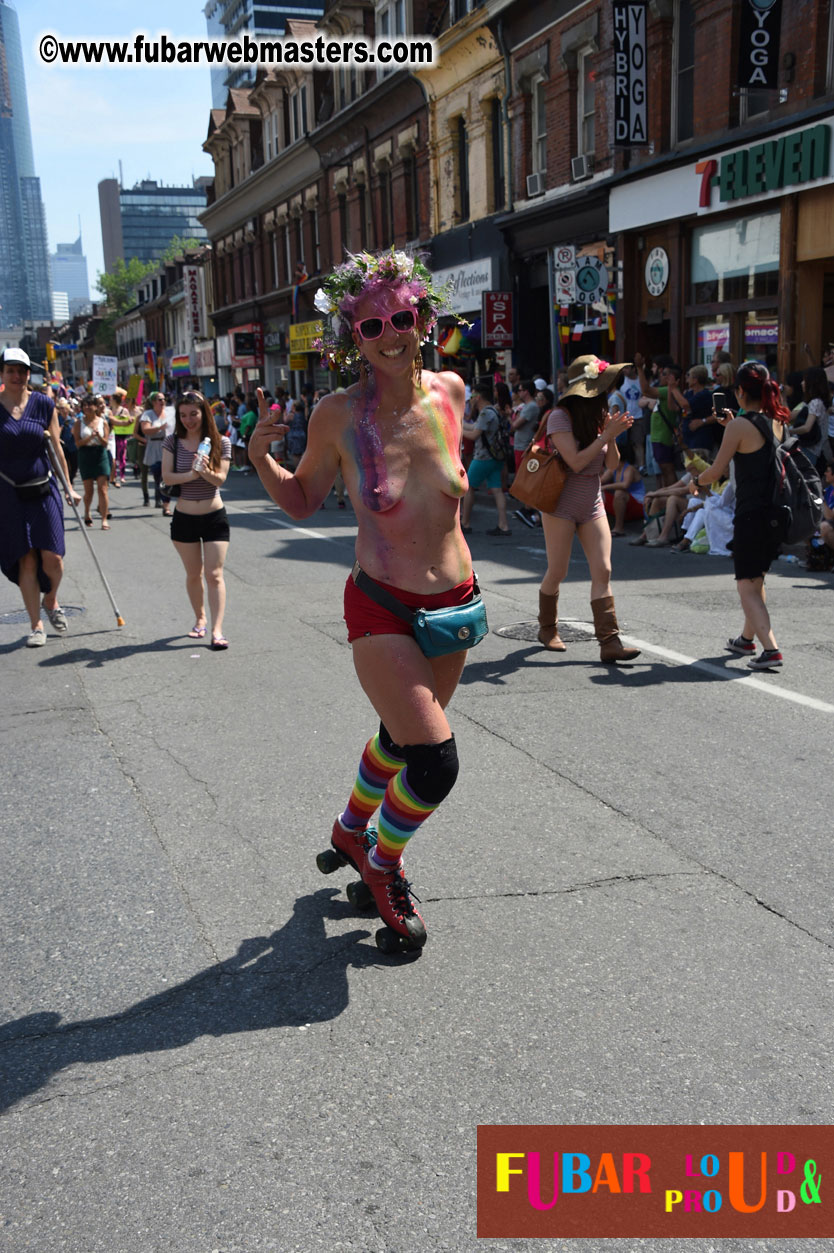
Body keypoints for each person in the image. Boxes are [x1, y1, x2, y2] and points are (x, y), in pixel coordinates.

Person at [248, 249, 474, 950]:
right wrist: (260, 457)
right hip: (381, 607)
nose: (391, 335)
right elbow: (302, 499)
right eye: (372, 326)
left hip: (456, 606)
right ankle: (382, 863)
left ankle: (350, 828)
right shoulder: (337, 415)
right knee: (434, 760)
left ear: (423, 319)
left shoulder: (452, 393)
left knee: (399, 737)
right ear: (354, 337)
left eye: (402, 317)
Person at [536, 354, 640, 661]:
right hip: (560, 505)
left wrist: (613, 437)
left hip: (592, 503)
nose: (607, 391)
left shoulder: (600, 414)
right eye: (602, 385)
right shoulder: (559, 417)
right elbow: (577, 462)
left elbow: (612, 463)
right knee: (558, 571)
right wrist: (606, 436)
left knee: (603, 570)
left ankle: (610, 642)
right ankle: (547, 628)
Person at [695, 361, 790, 671]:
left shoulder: (739, 427)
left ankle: (771, 649)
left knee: (746, 586)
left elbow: (716, 470)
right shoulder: (776, 421)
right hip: (775, 514)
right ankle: (747, 639)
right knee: (756, 578)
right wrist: (734, 426)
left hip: (751, 516)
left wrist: (698, 481)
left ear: (738, 391)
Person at [0, 348, 80, 647]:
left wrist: (69, 486)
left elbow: (57, 447)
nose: (17, 376)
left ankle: (52, 599)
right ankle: (36, 626)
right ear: (2, 373)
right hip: (8, 492)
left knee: (53, 558)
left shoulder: (44, 404)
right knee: (26, 560)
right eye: (11, 370)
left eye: (22, 371)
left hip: (43, 487)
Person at [161, 390, 232, 649]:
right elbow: (167, 477)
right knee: (194, 574)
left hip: (214, 516)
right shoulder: (172, 442)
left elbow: (221, 479)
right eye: (183, 415)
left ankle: (217, 630)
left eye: (194, 414)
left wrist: (206, 470)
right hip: (185, 518)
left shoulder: (220, 442)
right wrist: (192, 474)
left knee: (214, 574)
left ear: (204, 413)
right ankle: (200, 618)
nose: (189, 420)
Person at [460, 381, 512, 536]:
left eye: (473, 395)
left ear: (478, 397)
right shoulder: (492, 411)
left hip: (483, 457)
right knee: (497, 490)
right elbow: (475, 427)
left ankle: (465, 523)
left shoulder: (485, 413)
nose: (471, 399)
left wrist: (458, 431)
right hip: (496, 457)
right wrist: (459, 424)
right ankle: (503, 525)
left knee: (468, 488)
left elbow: (475, 434)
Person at [635, 353, 689, 487]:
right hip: (659, 436)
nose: (661, 375)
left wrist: (640, 369)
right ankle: (667, 497)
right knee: (663, 470)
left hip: (662, 436)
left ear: (671, 377)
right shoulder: (668, 390)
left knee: (667, 469)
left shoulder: (667, 390)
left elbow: (646, 390)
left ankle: (671, 496)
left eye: (664, 374)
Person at [73, 395, 112, 529]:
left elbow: (106, 443)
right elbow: (77, 443)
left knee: (103, 489)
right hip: (85, 455)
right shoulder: (79, 422)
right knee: (88, 490)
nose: (87, 408)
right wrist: (90, 437)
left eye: (89, 405)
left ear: (96, 407)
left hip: (100, 454)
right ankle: (87, 511)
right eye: (84, 405)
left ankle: (104, 518)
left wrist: (99, 437)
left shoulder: (103, 422)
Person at [141, 392, 173, 514]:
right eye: (160, 399)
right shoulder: (148, 414)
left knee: (166, 477)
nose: (163, 401)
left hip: (168, 447)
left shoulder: (170, 413)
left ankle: (166, 506)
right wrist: (160, 428)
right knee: (158, 475)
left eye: (164, 399)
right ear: (154, 402)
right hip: (154, 447)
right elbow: (146, 430)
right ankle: (159, 495)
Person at [107, 388, 133, 486]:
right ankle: (114, 475)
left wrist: (126, 420)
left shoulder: (124, 410)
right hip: (111, 435)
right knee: (112, 457)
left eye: (111, 399)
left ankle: (122, 476)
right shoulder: (108, 411)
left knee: (121, 456)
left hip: (121, 436)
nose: (109, 401)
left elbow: (129, 420)